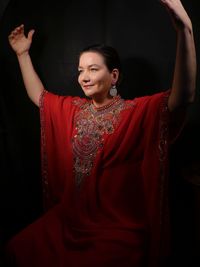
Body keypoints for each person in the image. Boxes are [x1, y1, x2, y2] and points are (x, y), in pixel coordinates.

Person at [6, 0, 196, 266]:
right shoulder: (73, 110)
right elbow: (40, 97)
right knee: (17, 248)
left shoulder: (135, 112)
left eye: (93, 69)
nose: (83, 76)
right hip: (71, 221)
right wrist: (22, 55)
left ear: (114, 76)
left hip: (116, 229)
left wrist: (184, 30)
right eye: (80, 70)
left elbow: (182, 98)